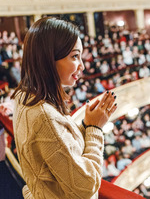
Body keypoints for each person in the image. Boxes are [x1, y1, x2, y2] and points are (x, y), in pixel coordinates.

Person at [11, 17, 119, 198]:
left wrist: (85, 125)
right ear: (48, 58)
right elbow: (85, 186)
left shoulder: (25, 95)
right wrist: (94, 129)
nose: (82, 66)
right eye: (75, 56)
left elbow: (56, 149)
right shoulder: (44, 115)